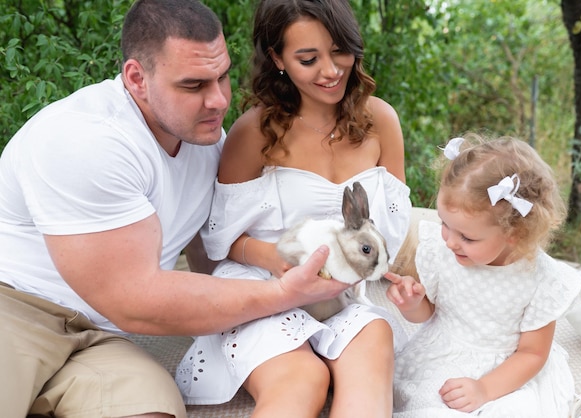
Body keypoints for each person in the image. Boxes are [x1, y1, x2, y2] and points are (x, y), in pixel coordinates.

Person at [0, 1, 351, 417]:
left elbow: (210, 248)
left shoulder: (208, 141)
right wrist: (278, 295)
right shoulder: (86, 140)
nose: (218, 100)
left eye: (222, 77)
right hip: (16, 310)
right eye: (193, 85)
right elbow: (133, 298)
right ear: (137, 78)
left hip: (104, 338)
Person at [174, 0, 411, 416]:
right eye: (308, 58)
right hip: (263, 284)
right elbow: (221, 242)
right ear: (277, 58)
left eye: (340, 50)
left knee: (373, 347)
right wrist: (281, 263)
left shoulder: (381, 122)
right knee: (304, 381)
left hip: (342, 293)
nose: (331, 70)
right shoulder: (254, 132)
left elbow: (388, 229)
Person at [385, 134, 581, 417]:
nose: (451, 242)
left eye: (467, 237)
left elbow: (532, 354)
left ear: (514, 233)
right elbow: (428, 313)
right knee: (416, 401)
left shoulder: (541, 279)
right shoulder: (444, 252)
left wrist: (484, 389)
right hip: (443, 351)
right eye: (444, 224)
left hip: (506, 372)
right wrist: (413, 304)